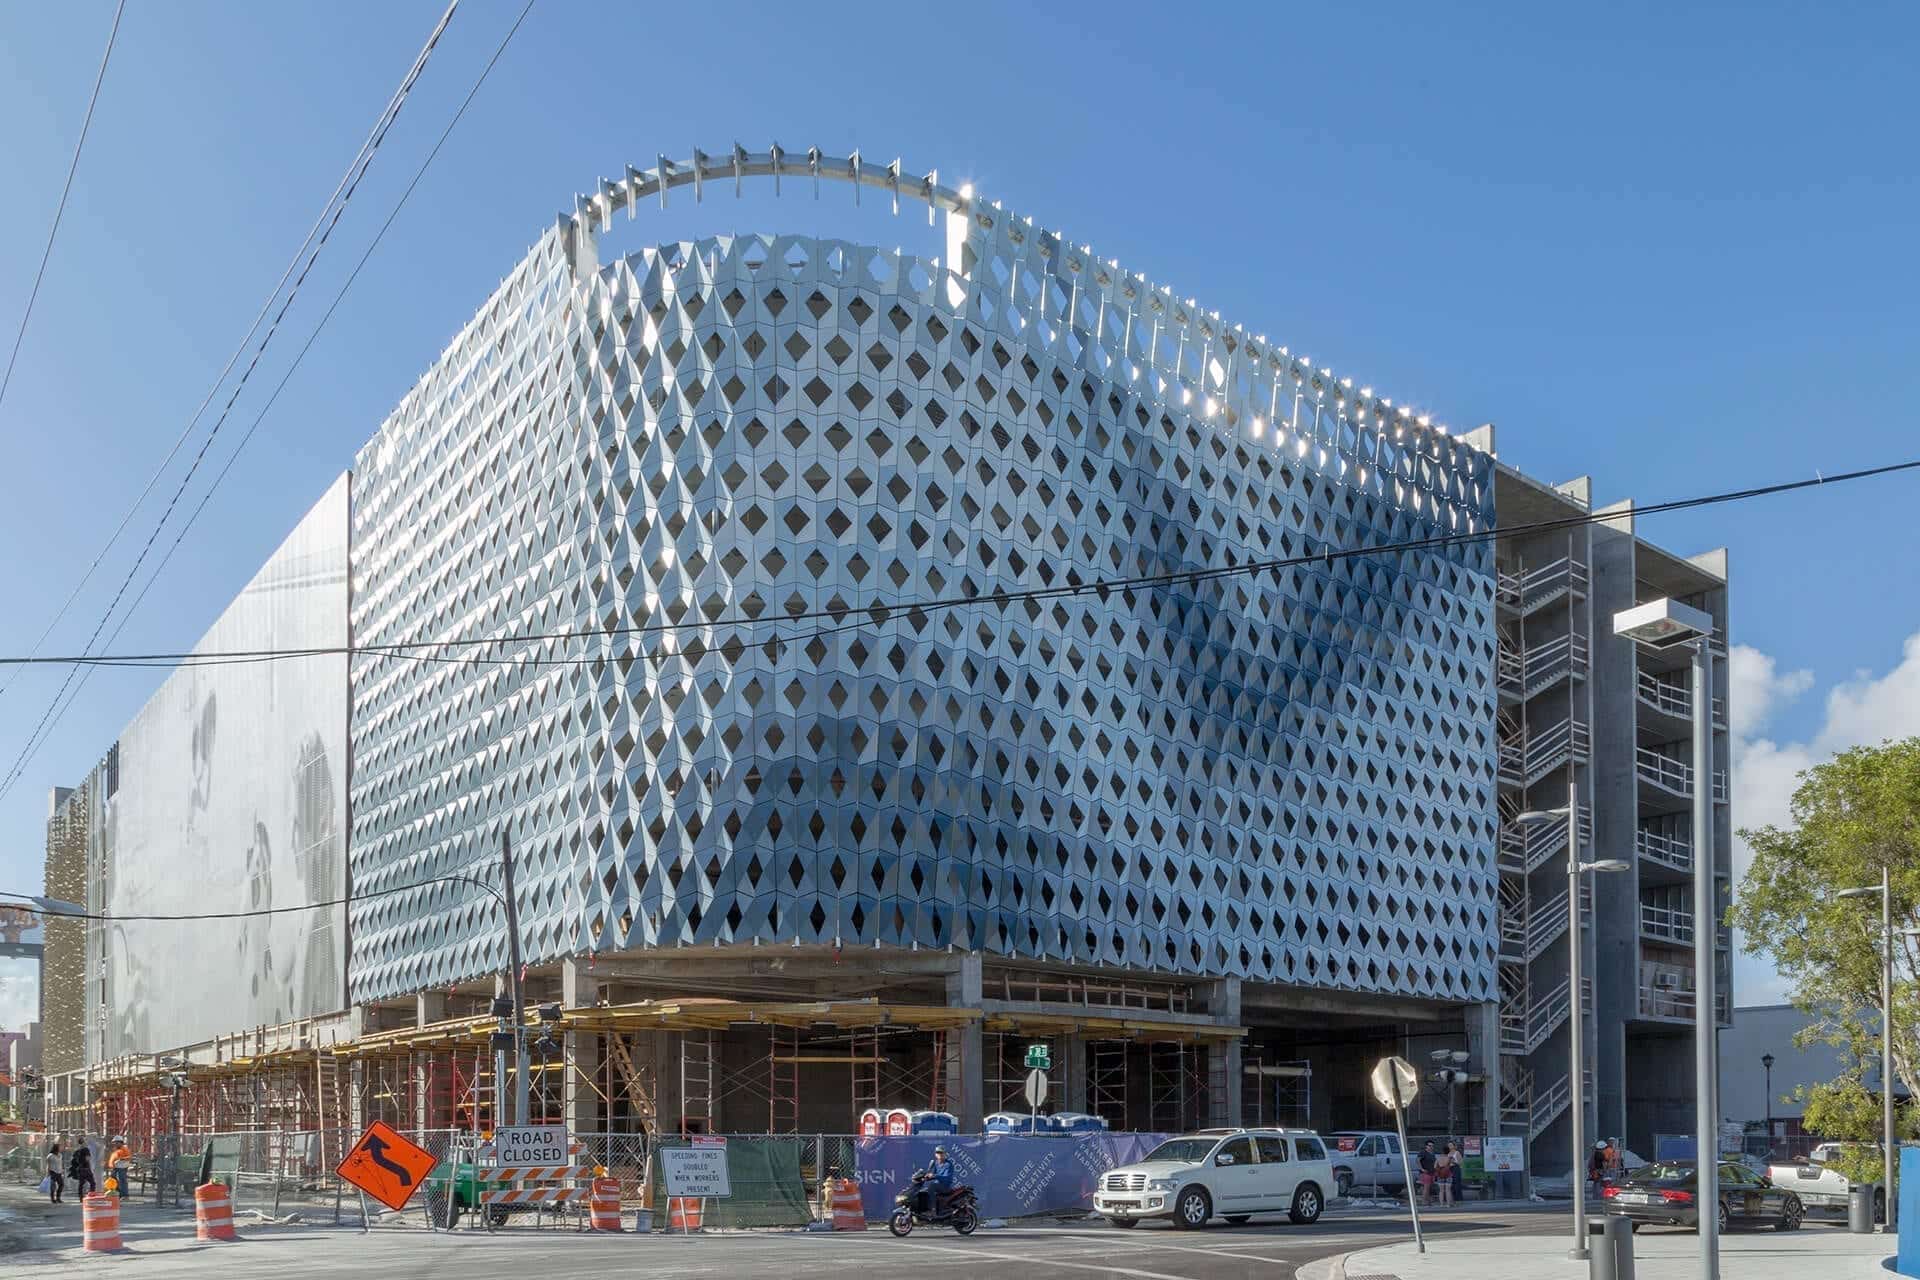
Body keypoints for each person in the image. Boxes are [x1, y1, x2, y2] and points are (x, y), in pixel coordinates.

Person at [922, 1145, 956, 1218]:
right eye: (938, 1153)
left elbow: (947, 1178)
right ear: (935, 1154)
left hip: (946, 1187)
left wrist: (935, 1176)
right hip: (938, 1186)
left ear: (945, 1154)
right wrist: (925, 1177)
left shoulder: (948, 1164)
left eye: (941, 1153)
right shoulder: (936, 1163)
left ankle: (933, 1211)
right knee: (923, 1191)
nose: (939, 1154)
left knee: (931, 1186)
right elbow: (933, 1174)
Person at [1417, 1140, 1437, 1205]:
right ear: (1426, 1146)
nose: (1431, 1147)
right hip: (1426, 1173)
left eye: (1432, 1146)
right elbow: (1417, 1160)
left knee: (1429, 1188)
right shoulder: (1423, 1152)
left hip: (1432, 1172)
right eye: (1429, 1146)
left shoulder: (1432, 1153)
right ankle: (1424, 1201)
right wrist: (1422, 1169)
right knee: (1426, 1187)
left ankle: (1428, 1201)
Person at [45, 1140, 64, 1204]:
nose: (61, 1148)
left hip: (59, 1172)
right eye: (59, 1147)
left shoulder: (60, 1155)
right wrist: (47, 1173)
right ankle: (53, 1199)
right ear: (56, 1148)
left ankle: (58, 1197)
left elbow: (60, 1163)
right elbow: (48, 1165)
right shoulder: (50, 1156)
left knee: (61, 1184)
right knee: (53, 1186)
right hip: (53, 1172)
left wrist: (62, 1170)